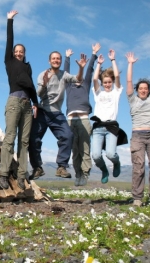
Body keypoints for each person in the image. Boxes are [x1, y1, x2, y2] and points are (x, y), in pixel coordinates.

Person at [28, 51, 87, 181]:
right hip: (43, 111)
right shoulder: (43, 74)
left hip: (56, 113)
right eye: (54, 59)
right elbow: (39, 94)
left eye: (58, 59)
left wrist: (81, 68)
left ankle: (61, 167)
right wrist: (44, 84)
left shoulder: (64, 75)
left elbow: (78, 79)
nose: (56, 60)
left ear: (60, 61)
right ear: (49, 61)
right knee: (33, 139)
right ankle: (37, 168)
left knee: (68, 135)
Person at [0, 10, 38, 191]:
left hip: (27, 105)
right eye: (17, 51)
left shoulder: (27, 68)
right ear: (13, 53)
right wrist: (9, 21)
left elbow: (31, 87)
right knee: (10, 138)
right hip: (14, 102)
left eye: (22, 52)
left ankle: (22, 176)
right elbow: (9, 40)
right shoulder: (10, 62)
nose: (19, 53)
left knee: (24, 141)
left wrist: (36, 103)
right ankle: (4, 174)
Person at [125, 52, 150, 207]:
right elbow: (128, 80)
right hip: (138, 136)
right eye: (140, 88)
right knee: (138, 168)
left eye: (145, 88)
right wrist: (130, 63)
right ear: (137, 90)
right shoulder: (132, 100)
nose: (143, 90)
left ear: (148, 90)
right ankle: (137, 198)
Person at [64, 43, 101, 186]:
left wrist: (93, 54)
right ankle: (78, 174)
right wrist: (66, 58)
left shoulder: (85, 84)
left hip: (84, 120)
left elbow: (89, 70)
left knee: (85, 148)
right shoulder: (68, 86)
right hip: (71, 121)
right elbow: (65, 72)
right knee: (75, 149)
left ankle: (85, 174)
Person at [91, 50, 125, 184]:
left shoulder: (116, 92)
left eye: (109, 82)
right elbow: (94, 79)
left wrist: (113, 60)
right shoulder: (98, 93)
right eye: (105, 82)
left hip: (111, 127)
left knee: (111, 154)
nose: (107, 84)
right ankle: (104, 170)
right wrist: (98, 63)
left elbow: (117, 76)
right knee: (96, 155)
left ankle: (116, 163)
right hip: (98, 127)